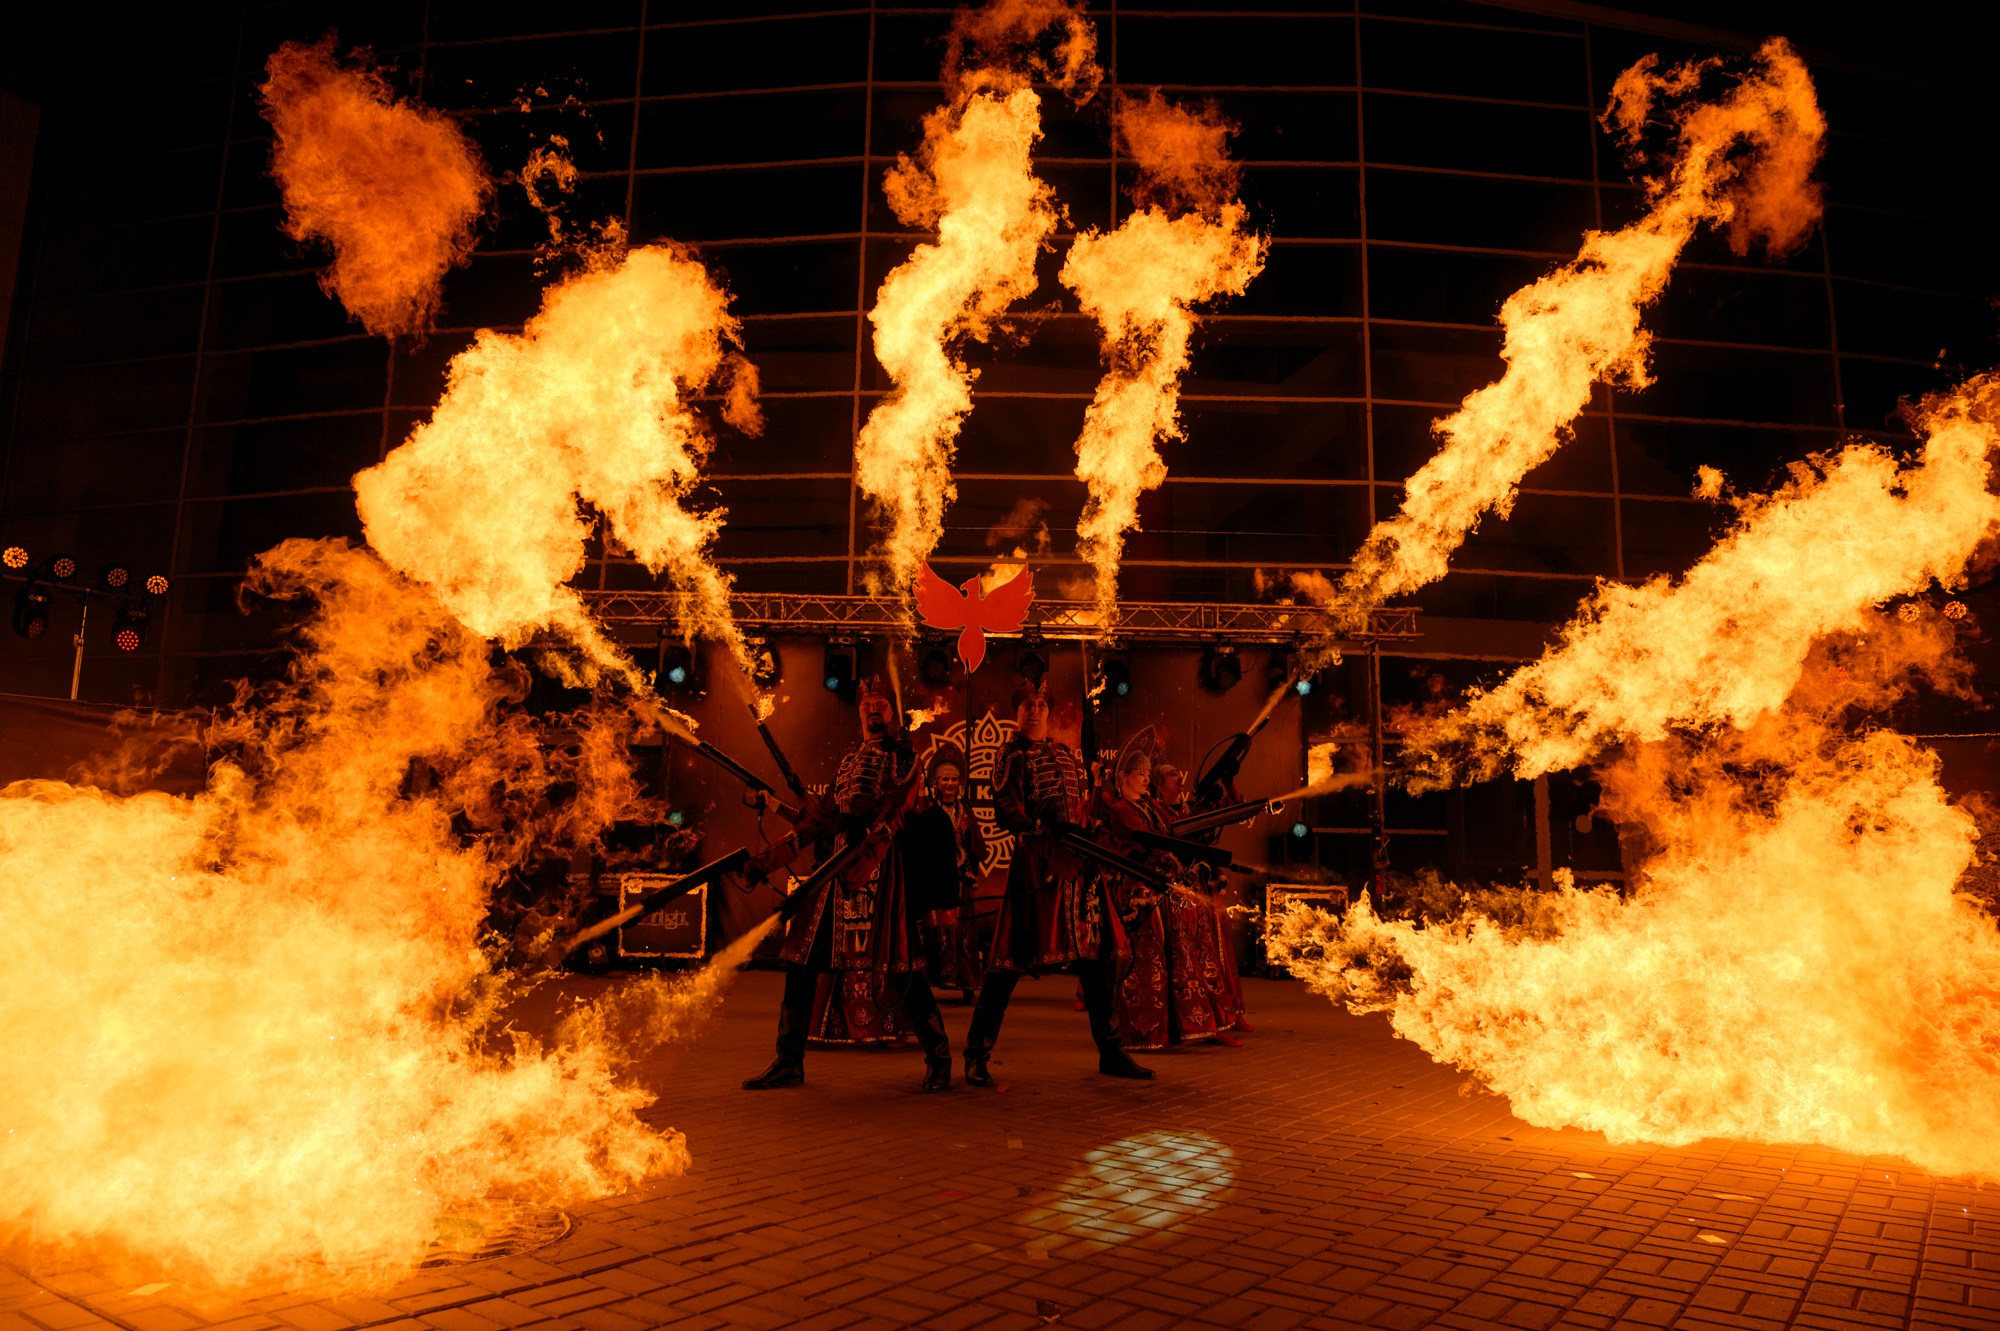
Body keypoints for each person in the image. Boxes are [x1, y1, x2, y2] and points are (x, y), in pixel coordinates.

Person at [741, 677, 955, 1092]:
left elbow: (894, 806)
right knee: (801, 963)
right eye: (867, 703)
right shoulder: (847, 763)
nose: (873, 708)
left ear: (893, 713)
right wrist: (765, 862)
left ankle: (939, 1059)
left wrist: (861, 825)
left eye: (881, 703)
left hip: (881, 877)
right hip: (834, 883)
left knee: (901, 970)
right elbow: (818, 821)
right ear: (859, 713)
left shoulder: (907, 759)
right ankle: (789, 1061)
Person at [961, 678, 1150, 1084]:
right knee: (1008, 960)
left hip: (1080, 867)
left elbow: (1079, 808)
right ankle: (976, 1054)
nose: (1034, 711)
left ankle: (1111, 1052)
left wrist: (1090, 824)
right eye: (1027, 704)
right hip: (1038, 864)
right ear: (1017, 711)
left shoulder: (1064, 754)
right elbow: (1006, 808)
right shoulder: (1010, 755)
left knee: (1098, 959)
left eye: (1041, 704)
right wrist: (1042, 836)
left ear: (1048, 710)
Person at [1097, 735, 1238, 1048]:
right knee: (1148, 964)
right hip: (1139, 898)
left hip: (1164, 891)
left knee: (1181, 957)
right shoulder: (1121, 809)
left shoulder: (1152, 806)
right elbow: (1146, 842)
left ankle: (1187, 1026)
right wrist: (1172, 856)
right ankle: (1146, 1031)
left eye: (1148, 774)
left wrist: (1209, 810)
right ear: (1123, 777)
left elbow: (1180, 826)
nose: (1145, 778)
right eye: (1140, 773)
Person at [902, 748, 988, 1003]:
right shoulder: (928, 812)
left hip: (961, 880)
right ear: (935, 783)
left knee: (964, 934)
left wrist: (970, 868)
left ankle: (968, 985)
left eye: (954, 779)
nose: (950, 783)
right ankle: (929, 985)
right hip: (936, 881)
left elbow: (975, 845)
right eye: (945, 779)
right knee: (934, 931)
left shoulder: (966, 812)